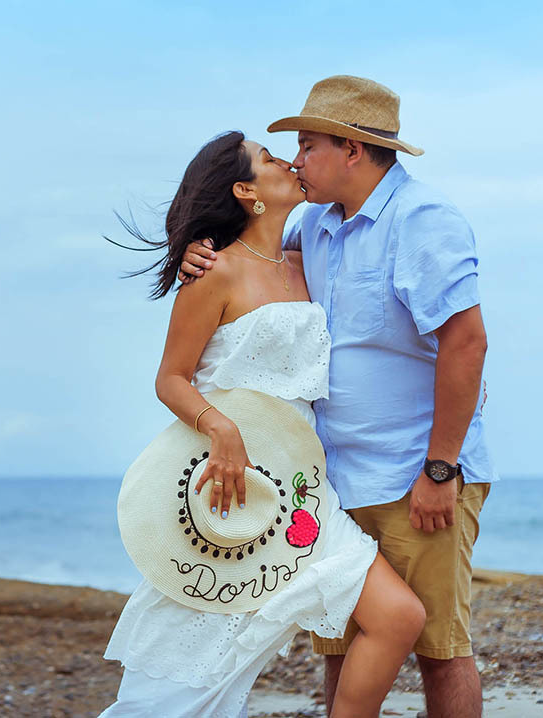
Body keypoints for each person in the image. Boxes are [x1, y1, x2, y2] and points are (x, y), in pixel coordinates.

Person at [178, 76, 498, 718]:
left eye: (308, 145)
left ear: (352, 149)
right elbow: (258, 265)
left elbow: (467, 343)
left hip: (413, 476)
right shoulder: (312, 225)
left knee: (441, 649)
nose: (296, 160)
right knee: (342, 647)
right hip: (329, 483)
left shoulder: (423, 220)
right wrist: (199, 251)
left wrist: (440, 469)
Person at [99, 130, 425, 718]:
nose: (291, 163)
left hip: (300, 488)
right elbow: (171, 378)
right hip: (230, 487)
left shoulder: (306, 263)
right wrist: (221, 429)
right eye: (270, 159)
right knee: (188, 675)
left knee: (398, 617)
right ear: (246, 191)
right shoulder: (215, 272)